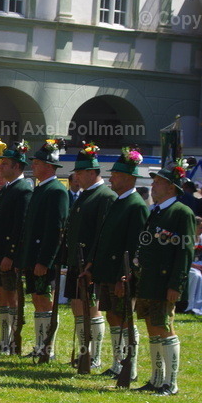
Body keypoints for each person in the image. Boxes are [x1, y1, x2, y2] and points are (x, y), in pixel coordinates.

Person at [126, 160, 196, 395]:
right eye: (154, 182)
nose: (153, 186)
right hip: (148, 280)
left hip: (165, 282)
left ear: (172, 187)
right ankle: (156, 379)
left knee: (165, 328)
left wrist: (177, 284)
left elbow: (185, 251)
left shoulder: (181, 213)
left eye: (159, 182)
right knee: (152, 328)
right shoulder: (156, 211)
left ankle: (171, 382)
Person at [86, 147, 149, 379]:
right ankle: (116, 362)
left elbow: (136, 245)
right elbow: (103, 237)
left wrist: (128, 274)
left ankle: (128, 366)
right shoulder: (117, 202)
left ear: (129, 179)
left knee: (124, 317)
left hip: (121, 273)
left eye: (116, 175)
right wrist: (93, 264)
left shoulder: (136, 205)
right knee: (112, 315)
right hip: (107, 270)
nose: (111, 178)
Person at [65, 143, 116, 370]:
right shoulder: (85, 196)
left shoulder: (104, 196)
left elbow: (102, 232)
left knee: (91, 308)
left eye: (80, 172)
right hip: (77, 259)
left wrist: (92, 262)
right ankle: (84, 352)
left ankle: (94, 355)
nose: (77, 176)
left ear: (93, 173)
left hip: (89, 261)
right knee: (78, 306)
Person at [20, 139, 70, 360]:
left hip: (44, 258)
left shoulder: (57, 191)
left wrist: (45, 260)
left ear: (50, 166)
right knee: (37, 299)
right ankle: (40, 345)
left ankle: (47, 347)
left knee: (45, 299)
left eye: (38, 163)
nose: (34, 166)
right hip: (33, 256)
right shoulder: (40, 189)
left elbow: (55, 229)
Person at [0, 141, 33, 352]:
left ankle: (12, 340)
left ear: (17, 167)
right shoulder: (5, 189)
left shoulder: (23, 190)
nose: (1, 167)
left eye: (5, 164)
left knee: (10, 297)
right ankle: (4, 339)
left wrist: (10, 255)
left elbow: (19, 226)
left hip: (7, 255)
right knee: (1, 297)